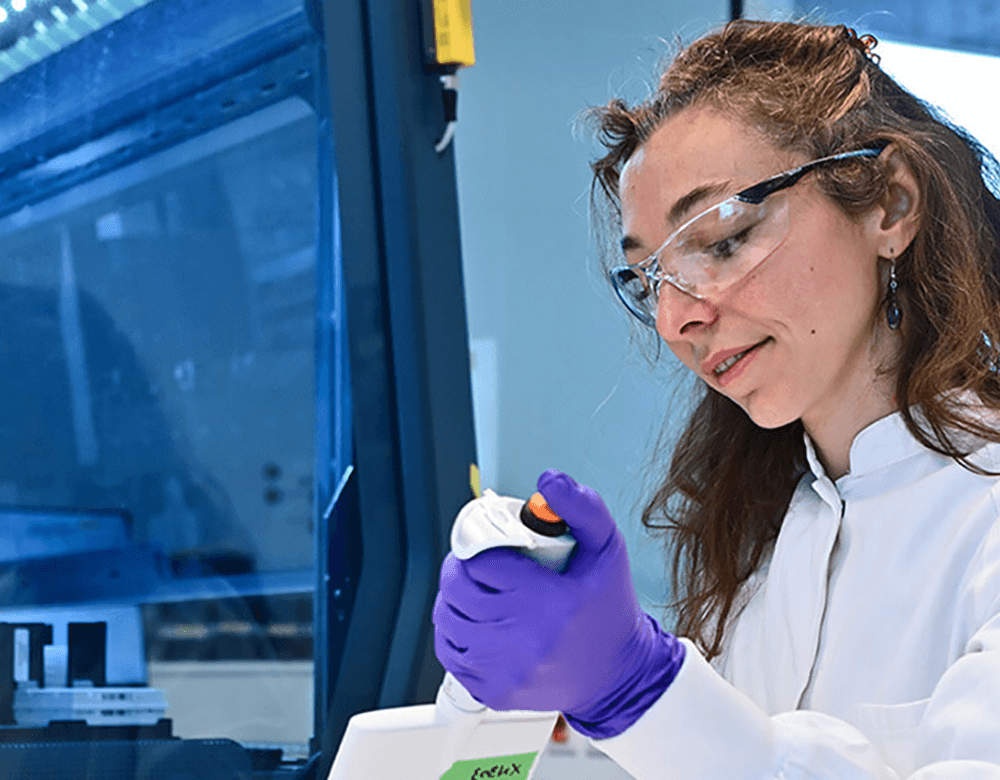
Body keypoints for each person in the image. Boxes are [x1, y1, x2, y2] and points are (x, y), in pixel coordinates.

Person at [433, 19, 1000, 780]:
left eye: (724, 238)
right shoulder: (765, 535)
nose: (675, 319)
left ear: (891, 206)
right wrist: (505, 686)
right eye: (651, 278)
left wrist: (640, 688)